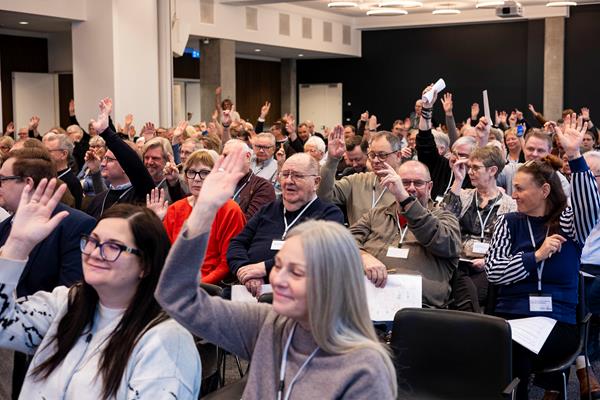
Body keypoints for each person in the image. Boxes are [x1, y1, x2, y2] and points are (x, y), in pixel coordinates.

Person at [155, 147, 397, 399]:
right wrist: (204, 211)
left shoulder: (365, 367)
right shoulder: (265, 325)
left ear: (329, 279)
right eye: (278, 266)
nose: (278, 279)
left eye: (296, 272)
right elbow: (175, 296)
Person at [0, 179, 200, 399]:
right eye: (93, 241)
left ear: (145, 265)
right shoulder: (67, 303)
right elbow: (3, 326)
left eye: (113, 247)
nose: (95, 254)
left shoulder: (166, 340)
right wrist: (17, 244)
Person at [485, 114, 600, 399]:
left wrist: (575, 155)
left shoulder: (569, 224)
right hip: (511, 316)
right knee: (508, 347)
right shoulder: (508, 222)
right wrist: (534, 257)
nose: (513, 195)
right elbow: (494, 271)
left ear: (544, 190)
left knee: (515, 353)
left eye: (520, 188)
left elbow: (590, 207)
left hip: (556, 320)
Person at [227, 153, 344, 296]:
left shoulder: (329, 215)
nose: (289, 181)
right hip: (248, 291)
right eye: (285, 174)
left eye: (297, 176)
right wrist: (246, 271)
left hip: (299, 295)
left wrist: (265, 268)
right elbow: (237, 243)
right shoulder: (267, 210)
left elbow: (317, 255)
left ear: (316, 182)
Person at [350, 160, 460, 308]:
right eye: (405, 183)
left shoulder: (444, 217)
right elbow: (344, 242)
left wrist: (405, 198)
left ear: (429, 187)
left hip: (420, 309)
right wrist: (363, 256)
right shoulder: (376, 215)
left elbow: (445, 242)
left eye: (418, 183)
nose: (411, 188)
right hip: (369, 302)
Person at [153, 149, 246, 285]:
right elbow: (163, 255)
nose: (196, 179)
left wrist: (195, 285)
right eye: (191, 172)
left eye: (204, 173)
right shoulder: (175, 209)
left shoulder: (230, 210)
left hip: (210, 286)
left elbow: (227, 263)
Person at [443, 146, 516, 311]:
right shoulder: (463, 195)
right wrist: (457, 180)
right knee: (463, 282)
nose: (470, 172)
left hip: (488, 266)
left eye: (475, 168)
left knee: (468, 289)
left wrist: (487, 261)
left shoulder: (510, 205)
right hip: (458, 262)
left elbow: (511, 244)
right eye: (469, 167)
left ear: (492, 170)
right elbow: (444, 219)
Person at [84, 98, 156, 219]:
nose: (103, 164)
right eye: (104, 159)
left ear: (125, 165)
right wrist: (95, 171)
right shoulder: (97, 200)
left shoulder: (142, 194)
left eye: (109, 160)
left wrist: (106, 132)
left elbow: (134, 164)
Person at [318, 127, 400, 226]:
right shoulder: (356, 181)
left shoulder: (409, 185)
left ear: (398, 156)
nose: (375, 160)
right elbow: (323, 196)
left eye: (382, 155)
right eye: (372, 155)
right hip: (356, 235)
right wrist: (332, 160)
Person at [222, 139, 275, 220]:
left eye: (233, 155)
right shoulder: (219, 182)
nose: (227, 160)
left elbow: (249, 223)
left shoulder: (263, 187)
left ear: (247, 156)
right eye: (225, 156)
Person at [42, 132, 83, 209]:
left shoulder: (73, 183)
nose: (43, 154)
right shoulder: (43, 175)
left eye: (48, 151)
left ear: (64, 154)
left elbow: (75, 212)